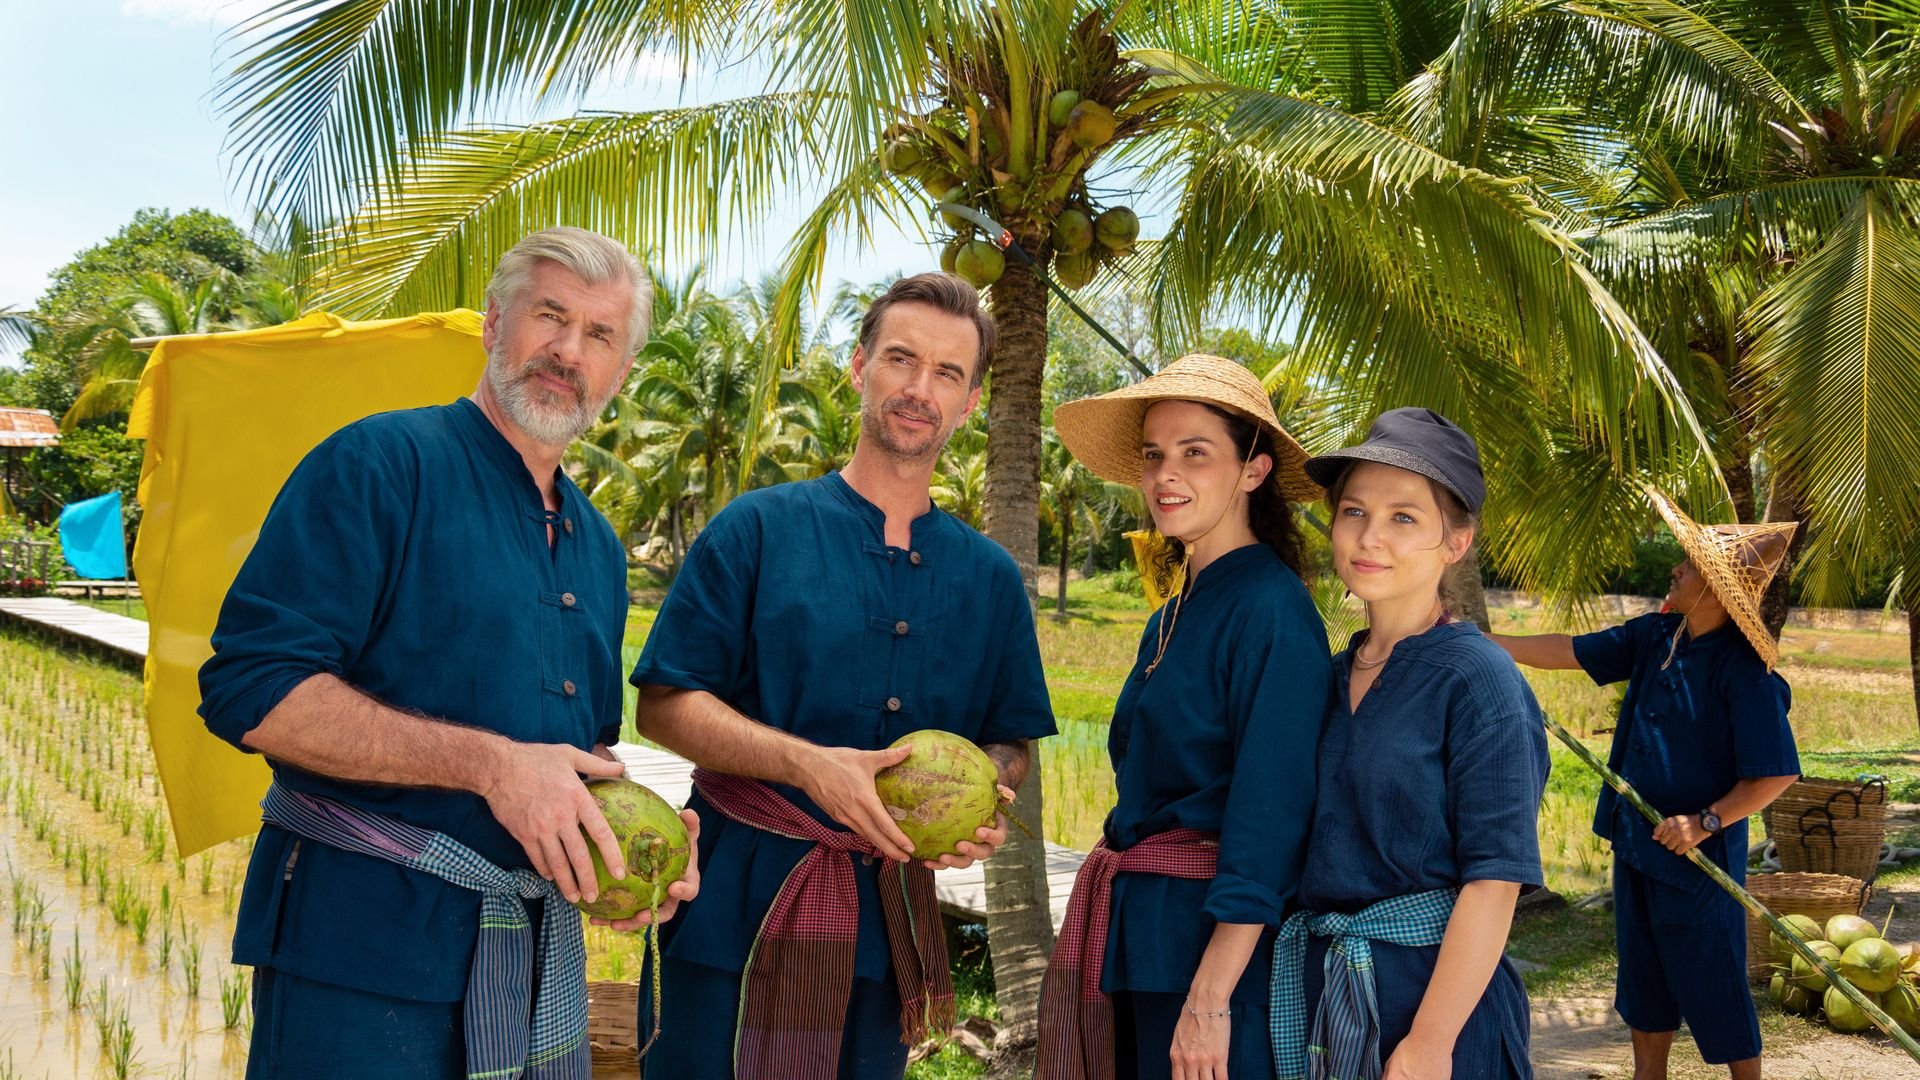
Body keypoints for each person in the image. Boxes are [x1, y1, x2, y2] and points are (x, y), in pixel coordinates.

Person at [198, 227, 699, 1080]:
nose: (568, 350)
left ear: (619, 372)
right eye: (550, 316)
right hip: (358, 955)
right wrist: (492, 767)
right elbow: (251, 687)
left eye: (600, 335)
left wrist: (628, 840)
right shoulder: (379, 465)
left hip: (526, 954)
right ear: (495, 323)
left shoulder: (599, 546)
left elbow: (577, 750)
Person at [627, 271, 1057, 1080]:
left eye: (948, 374)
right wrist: (805, 766)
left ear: (969, 403)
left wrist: (982, 795)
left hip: (885, 930)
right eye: (901, 359)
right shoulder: (755, 531)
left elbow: (1011, 740)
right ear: (860, 366)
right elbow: (663, 704)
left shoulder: (991, 580)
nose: (919, 389)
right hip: (737, 905)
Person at [1036, 354, 1333, 1080]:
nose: (1167, 475)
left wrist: (1210, 998)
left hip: (1211, 953)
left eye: (1196, 453)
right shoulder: (1173, 613)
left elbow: (1272, 817)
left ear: (1253, 472)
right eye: (1154, 455)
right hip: (1142, 932)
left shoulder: (1273, 610)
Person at [1273, 407, 1549, 1080]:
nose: (1370, 537)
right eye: (1353, 511)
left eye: (1404, 518)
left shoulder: (1480, 678)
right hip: (1324, 1003)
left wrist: (1429, 1044)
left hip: (1433, 1018)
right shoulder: (1326, 675)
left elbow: (1495, 881)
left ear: (1456, 542)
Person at [1489, 490, 1800, 1080]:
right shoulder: (1657, 637)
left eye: (1687, 565)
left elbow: (1776, 773)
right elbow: (1571, 651)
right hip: (1637, 841)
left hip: (1697, 854)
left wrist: (1706, 821)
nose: (1675, 570)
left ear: (1714, 589)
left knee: (1713, 974)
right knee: (1643, 973)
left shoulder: (1745, 674)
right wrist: (1490, 643)